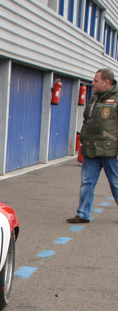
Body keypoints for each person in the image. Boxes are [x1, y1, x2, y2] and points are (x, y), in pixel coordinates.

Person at [67, 68, 118, 224]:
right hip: (91, 149)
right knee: (87, 183)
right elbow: (87, 121)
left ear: (107, 82)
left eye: (96, 81)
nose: (92, 83)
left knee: (116, 183)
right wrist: (83, 139)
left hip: (111, 151)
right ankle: (83, 214)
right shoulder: (94, 99)